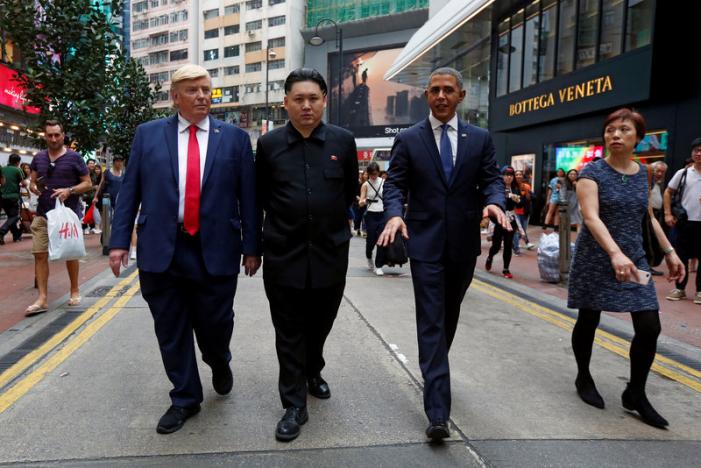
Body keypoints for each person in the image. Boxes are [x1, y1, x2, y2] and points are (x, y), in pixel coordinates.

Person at [108, 64, 261, 434]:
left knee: (215, 324)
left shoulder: (234, 139)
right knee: (171, 329)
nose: (203, 96)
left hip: (216, 248)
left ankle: (218, 360)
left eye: (207, 89)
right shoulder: (147, 136)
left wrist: (252, 247)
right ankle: (185, 398)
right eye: (193, 90)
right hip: (163, 248)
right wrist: (118, 242)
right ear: (175, 97)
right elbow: (131, 192)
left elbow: (249, 198)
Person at [378, 67, 508, 441]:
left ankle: (435, 370)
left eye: (448, 90)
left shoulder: (479, 138)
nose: (441, 96)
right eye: (434, 90)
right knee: (431, 320)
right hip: (424, 245)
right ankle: (438, 412)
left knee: (449, 315)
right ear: (427, 96)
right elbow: (395, 184)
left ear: (461, 96)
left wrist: (495, 203)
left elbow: (492, 181)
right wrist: (394, 216)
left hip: (464, 245)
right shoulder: (409, 139)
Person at [256, 68, 358, 442]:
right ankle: (294, 404)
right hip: (284, 254)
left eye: (313, 98)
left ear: (324, 101)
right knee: (289, 331)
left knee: (320, 324)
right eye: (298, 99)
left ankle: (314, 367)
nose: (306, 105)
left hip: (330, 254)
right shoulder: (268, 146)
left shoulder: (343, 142)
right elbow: (260, 197)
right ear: (286, 103)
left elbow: (348, 192)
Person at [568, 108, 684, 429]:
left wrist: (670, 251)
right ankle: (583, 376)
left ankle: (635, 392)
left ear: (638, 139)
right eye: (610, 130)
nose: (615, 135)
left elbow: (647, 216)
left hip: (633, 258)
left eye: (624, 130)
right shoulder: (591, 174)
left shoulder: (643, 173)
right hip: (596, 257)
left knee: (649, 326)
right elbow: (591, 218)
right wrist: (614, 253)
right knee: (588, 318)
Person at [26, 121, 92, 315]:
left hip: (66, 216)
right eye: (50, 135)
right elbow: (32, 182)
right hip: (43, 215)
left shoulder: (75, 158)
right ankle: (43, 298)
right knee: (39, 254)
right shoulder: (38, 158)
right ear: (44, 136)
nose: (53, 139)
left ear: (63, 135)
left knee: (70, 253)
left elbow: (87, 184)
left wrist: (69, 190)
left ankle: (74, 290)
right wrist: (34, 187)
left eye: (57, 135)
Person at [663, 138, 701, 304]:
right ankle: (680, 289)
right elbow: (668, 192)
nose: (699, 153)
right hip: (684, 222)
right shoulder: (683, 173)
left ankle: (700, 291)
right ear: (692, 153)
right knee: (681, 257)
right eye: (696, 150)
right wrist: (667, 214)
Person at [485, 167, 522, 278]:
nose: (509, 177)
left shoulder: (515, 188)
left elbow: (520, 205)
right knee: (496, 245)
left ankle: (506, 269)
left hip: (510, 219)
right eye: (506, 174)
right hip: (498, 219)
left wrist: (518, 201)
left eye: (511, 175)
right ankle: (490, 257)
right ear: (502, 176)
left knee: (508, 244)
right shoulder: (497, 188)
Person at [359, 161, 386, 276]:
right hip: (371, 215)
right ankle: (369, 257)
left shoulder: (384, 183)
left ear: (378, 172)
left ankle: (378, 265)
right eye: (370, 174)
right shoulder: (365, 185)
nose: (373, 177)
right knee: (371, 241)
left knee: (381, 240)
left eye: (374, 174)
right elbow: (360, 202)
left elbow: (388, 197)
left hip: (383, 214)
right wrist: (365, 201)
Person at [0, 153, 25, 244]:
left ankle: (16, 234)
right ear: (18, 162)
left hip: (2, 197)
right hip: (13, 197)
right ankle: (2, 231)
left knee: (11, 217)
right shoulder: (17, 170)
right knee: (15, 216)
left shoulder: (3, 169)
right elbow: (24, 183)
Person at [512, 169, 535, 253]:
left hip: (525, 212)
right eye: (516, 174)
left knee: (523, 230)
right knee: (518, 230)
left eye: (520, 174)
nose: (518, 176)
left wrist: (529, 195)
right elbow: (517, 202)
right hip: (515, 212)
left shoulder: (526, 186)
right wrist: (524, 198)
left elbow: (533, 197)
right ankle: (517, 247)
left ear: (522, 176)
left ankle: (514, 242)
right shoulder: (512, 187)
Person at [562, 168, 582, 233]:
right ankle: (565, 240)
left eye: (574, 174)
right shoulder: (564, 183)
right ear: (568, 175)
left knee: (579, 222)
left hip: (577, 205)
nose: (573, 175)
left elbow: (582, 193)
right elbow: (562, 195)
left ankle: (578, 239)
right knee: (566, 222)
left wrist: (577, 186)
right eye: (571, 174)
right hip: (568, 206)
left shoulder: (579, 183)